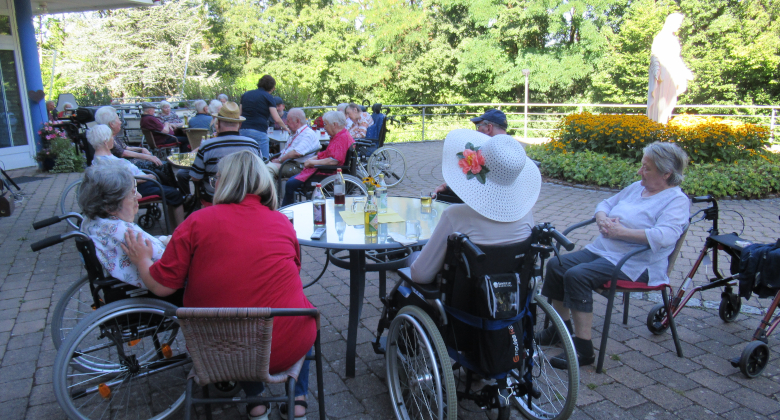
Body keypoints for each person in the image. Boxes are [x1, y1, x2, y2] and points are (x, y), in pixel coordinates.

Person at [121, 150, 317, 420]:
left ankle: (255, 402)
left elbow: (162, 287)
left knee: (237, 315)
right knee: (301, 310)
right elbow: (295, 269)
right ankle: (297, 400)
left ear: (222, 182)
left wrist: (142, 260)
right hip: (283, 346)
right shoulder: (281, 222)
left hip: (216, 351)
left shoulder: (197, 221)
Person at [538, 142, 690, 368]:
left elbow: (665, 235)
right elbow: (606, 203)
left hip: (636, 264)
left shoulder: (676, 200)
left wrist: (622, 232)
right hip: (605, 251)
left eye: (646, 168)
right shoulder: (637, 188)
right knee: (557, 265)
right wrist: (602, 218)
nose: (639, 172)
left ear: (666, 173)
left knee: (577, 276)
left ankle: (583, 350)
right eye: (642, 165)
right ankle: (561, 329)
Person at [410, 129, 539, 284]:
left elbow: (420, 275)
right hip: (509, 291)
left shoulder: (455, 216)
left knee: (413, 258)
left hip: (460, 295)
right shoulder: (525, 215)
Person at [78, 161, 171, 289]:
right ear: (110, 206)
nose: (139, 196)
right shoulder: (125, 234)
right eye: (132, 193)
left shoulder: (90, 221)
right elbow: (169, 268)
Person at [88, 124, 186, 228]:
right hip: (134, 188)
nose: (113, 139)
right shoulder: (112, 162)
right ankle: (180, 228)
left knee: (167, 182)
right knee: (174, 194)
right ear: (105, 142)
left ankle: (175, 227)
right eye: (111, 137)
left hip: (136, 184)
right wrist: (148, 177)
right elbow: (123, 182)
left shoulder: (98, 159)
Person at [184, 102, 261, 203]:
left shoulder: (207, 146)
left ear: (219, 123)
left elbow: (195, 177)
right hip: (245, 197)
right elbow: (260, 174)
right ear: (239, 124)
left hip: (215, 198)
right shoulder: (253, 145)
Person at [433, 108, 511, 198]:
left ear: (488, 128)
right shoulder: (514, 153)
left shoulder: (490, 154)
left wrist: (447, 187)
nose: (476, 131)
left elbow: (475, 184)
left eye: (478, 126)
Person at [282, 110, 354, 206]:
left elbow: (333, 161)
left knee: (290, 184)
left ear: (335, 125)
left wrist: (312, 163)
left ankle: (286, 209)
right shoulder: (340, 135)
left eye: (326, 124)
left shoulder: (341, 139)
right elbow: (328, 154)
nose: (324, 127)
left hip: (328, 173)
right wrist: (314, 158)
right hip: (326, 170)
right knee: (291, 181)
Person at [647, 13, 694, 125]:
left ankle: (664, 125)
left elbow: (676, 58)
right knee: (660, 103)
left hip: (672, 74)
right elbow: (655, 55)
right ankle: (658, 126)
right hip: (663, 74)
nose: (679, 26)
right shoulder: (661, 37)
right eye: (677, 23)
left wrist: (685, 71)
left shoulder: (674, 39)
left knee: (669, 103)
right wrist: (656, 70)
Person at [94, 106, 162, 171]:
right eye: (118, 119)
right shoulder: (108, 139)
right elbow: (123, 153)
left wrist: (141, 149)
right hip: (127, 169)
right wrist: (148, 157)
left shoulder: (111, 135)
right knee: (160, 167)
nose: (120, 122)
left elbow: (125, 147)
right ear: (112, 124)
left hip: (129, 165)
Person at [240, 75, 289, 159]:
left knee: (244, 159)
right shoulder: (268, 97)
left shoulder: (245, 95)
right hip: (259, 131)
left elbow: (239, 115)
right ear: (271, 87)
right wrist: (286, 128)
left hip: (243, 130)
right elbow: (276, 118)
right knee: (263, 160)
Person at [267, 108, 319, 179]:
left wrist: (279, 160)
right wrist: (278, 160)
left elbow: (297, 153)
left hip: (298, 167)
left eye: (288, 121)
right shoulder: (295, 133)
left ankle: (270, 186)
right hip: (289, 163)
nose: (286, 123)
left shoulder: (308, 134)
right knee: (262, 166)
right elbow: (287, 151)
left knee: (267, 169)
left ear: (297, 121)